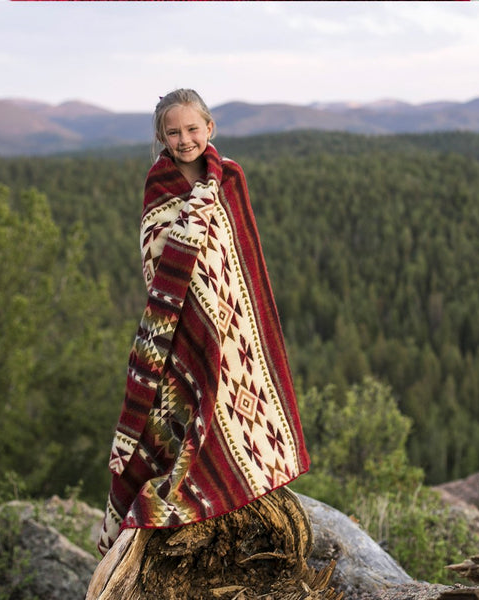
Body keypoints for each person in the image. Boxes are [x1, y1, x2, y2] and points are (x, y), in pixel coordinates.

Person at [98, 88, 310, 556]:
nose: (184, 139)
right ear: (162, 138)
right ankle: (194, 488)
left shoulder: (229, 178)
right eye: (173, 132)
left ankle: (245, 475)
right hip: (181, 318)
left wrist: (231, 307)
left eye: (192, 129)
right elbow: (156, 260)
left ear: (209, 128)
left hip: (232, 320)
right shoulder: (160, 187)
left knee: (235, 393)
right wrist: (185, 304)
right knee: (182, 404)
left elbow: (241, 259)